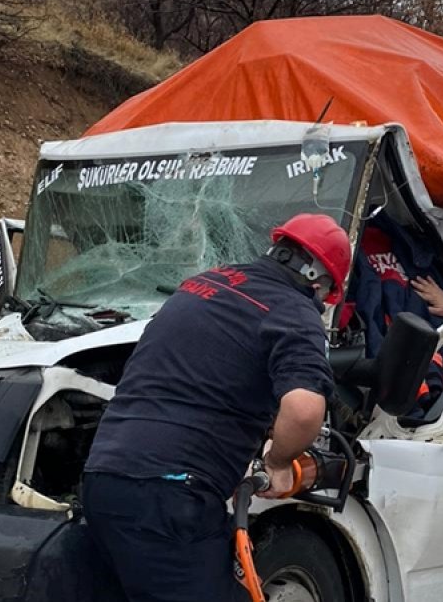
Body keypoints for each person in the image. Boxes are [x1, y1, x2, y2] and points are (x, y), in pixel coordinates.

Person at [80, 213, 351, 602]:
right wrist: (277, 460)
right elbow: (306, 409)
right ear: (317, 279)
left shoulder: (204, 283)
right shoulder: (293, 310)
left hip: (103, 478)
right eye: (326, 295)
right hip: (170, 496)